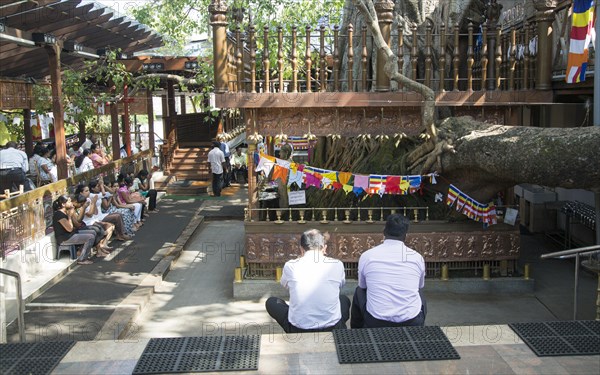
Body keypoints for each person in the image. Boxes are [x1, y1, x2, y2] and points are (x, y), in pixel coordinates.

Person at [265, 229, 350, 333]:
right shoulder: (337, 264)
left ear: (301, 249)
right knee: (344, 299)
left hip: (298, 329)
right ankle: (341, 331)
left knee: (272, 302)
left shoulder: (291, 266)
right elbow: (340, 285)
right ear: (324, 248)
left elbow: (286, 285)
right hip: (332, 327)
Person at [351, 214, 427, 328]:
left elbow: (363, 286)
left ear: (384, 231)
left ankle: (357, 332)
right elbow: (420, 286)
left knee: (359, 291)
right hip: (411, 320)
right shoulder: (417, 257)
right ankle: (419, 328)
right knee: (419, 291)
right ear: (406, 235)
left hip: (376, 321)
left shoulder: (367, 256)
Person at [52, 195, 96, 265]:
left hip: (71, 234)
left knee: (93, 232)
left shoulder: (66, 212)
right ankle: (82, 259)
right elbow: (69, 229)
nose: (71, 203)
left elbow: (77, 223)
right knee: (90, 237)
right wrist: (69, 216)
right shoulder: (59, 215)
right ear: (63, 204)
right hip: (65, 238)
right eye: (69, 202)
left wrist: (71, 214)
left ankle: (80, 252)